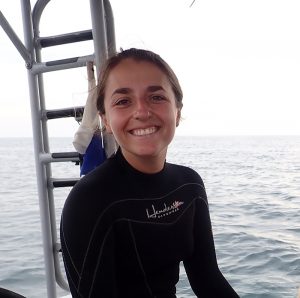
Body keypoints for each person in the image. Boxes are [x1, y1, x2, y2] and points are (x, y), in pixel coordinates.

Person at [60, 48, 239, 297]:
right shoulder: (89, 200)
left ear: (177, 112)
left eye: (156, 97)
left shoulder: (189, 185)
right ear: (107, 121)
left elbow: (208, 280)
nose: (142, 112)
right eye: (123, 101)